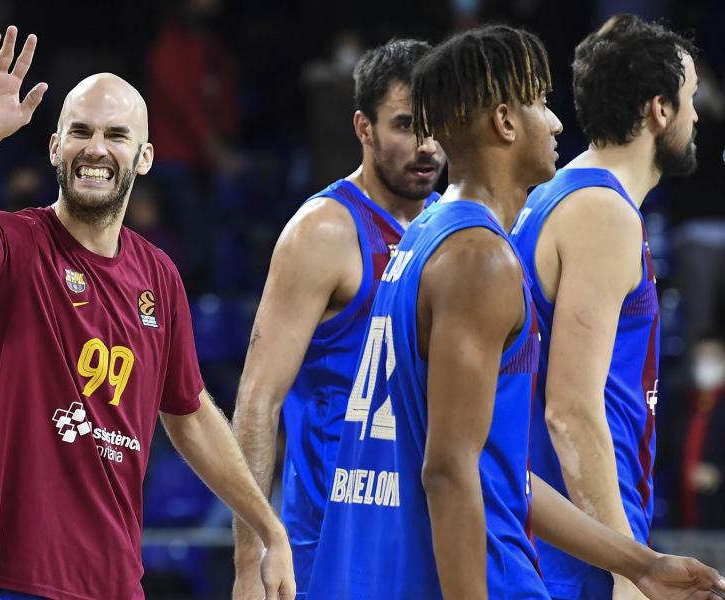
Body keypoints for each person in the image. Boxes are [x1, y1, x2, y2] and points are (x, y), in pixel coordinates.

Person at [308, 25, 725, 599]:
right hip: (480, 577)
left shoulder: (427, 234)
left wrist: (639, 563)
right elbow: (450, 471)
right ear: (505, 122)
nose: (555, 122)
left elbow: (497, 468)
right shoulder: (479, 259)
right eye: (539, 102)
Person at [0, 26, 296, 600]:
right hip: (10, 580)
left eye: (116, 135)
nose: (95, 148)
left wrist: (268, 528)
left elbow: (188, 414)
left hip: (116, 583)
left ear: (145, 157)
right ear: (55, 147)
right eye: (80, 132)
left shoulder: (159, 275)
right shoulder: (11, 242)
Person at [231, 38, 444, 598]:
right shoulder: (325, 231)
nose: (425, 145)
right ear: (363, 127)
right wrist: (249, 564)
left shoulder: (456, 231)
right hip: (330, 545)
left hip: (429, 539)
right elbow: (258, 399)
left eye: (436, 124)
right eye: (404, 125)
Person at [508, 15, 700, 599]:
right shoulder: (602, 212)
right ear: (659, 110)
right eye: (689, 99)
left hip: (565, 541)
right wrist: (627, 567)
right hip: (574, 561)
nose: (696, 117)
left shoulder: (558, 194)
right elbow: (569, 409)